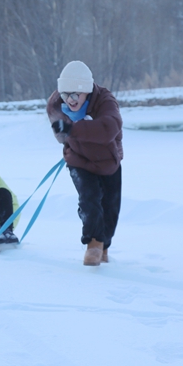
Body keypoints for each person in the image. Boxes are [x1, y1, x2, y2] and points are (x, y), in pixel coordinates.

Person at [46, 60, 123, 266]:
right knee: (89, 199)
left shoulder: (105, 100)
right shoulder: (55, 103)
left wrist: (75, 128)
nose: (69, 100)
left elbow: (110, 127)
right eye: (65, 94)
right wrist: (66, 131)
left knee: (110, 207)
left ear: (86, 91)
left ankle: (104, 245)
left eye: (75, 95)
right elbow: (61, 135)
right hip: (78, 160)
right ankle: (93, 244)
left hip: (108, 161)